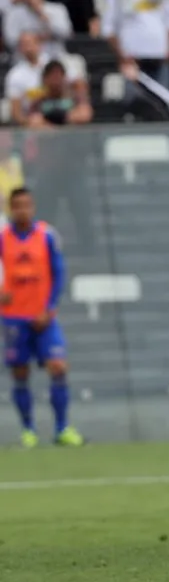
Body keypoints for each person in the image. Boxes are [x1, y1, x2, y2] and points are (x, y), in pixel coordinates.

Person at [0, 187, 81, 449]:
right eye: (17, 206)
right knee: (20, 373)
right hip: (14, 318)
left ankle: (61, 429)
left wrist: (49, 308)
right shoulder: (2, 239)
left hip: (43, 316)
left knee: (58, 367)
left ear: (33, 207)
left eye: (26, 205)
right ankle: (28, 431)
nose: (22, 210)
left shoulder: (47, 236)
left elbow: (58, 274)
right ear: (10, 209)